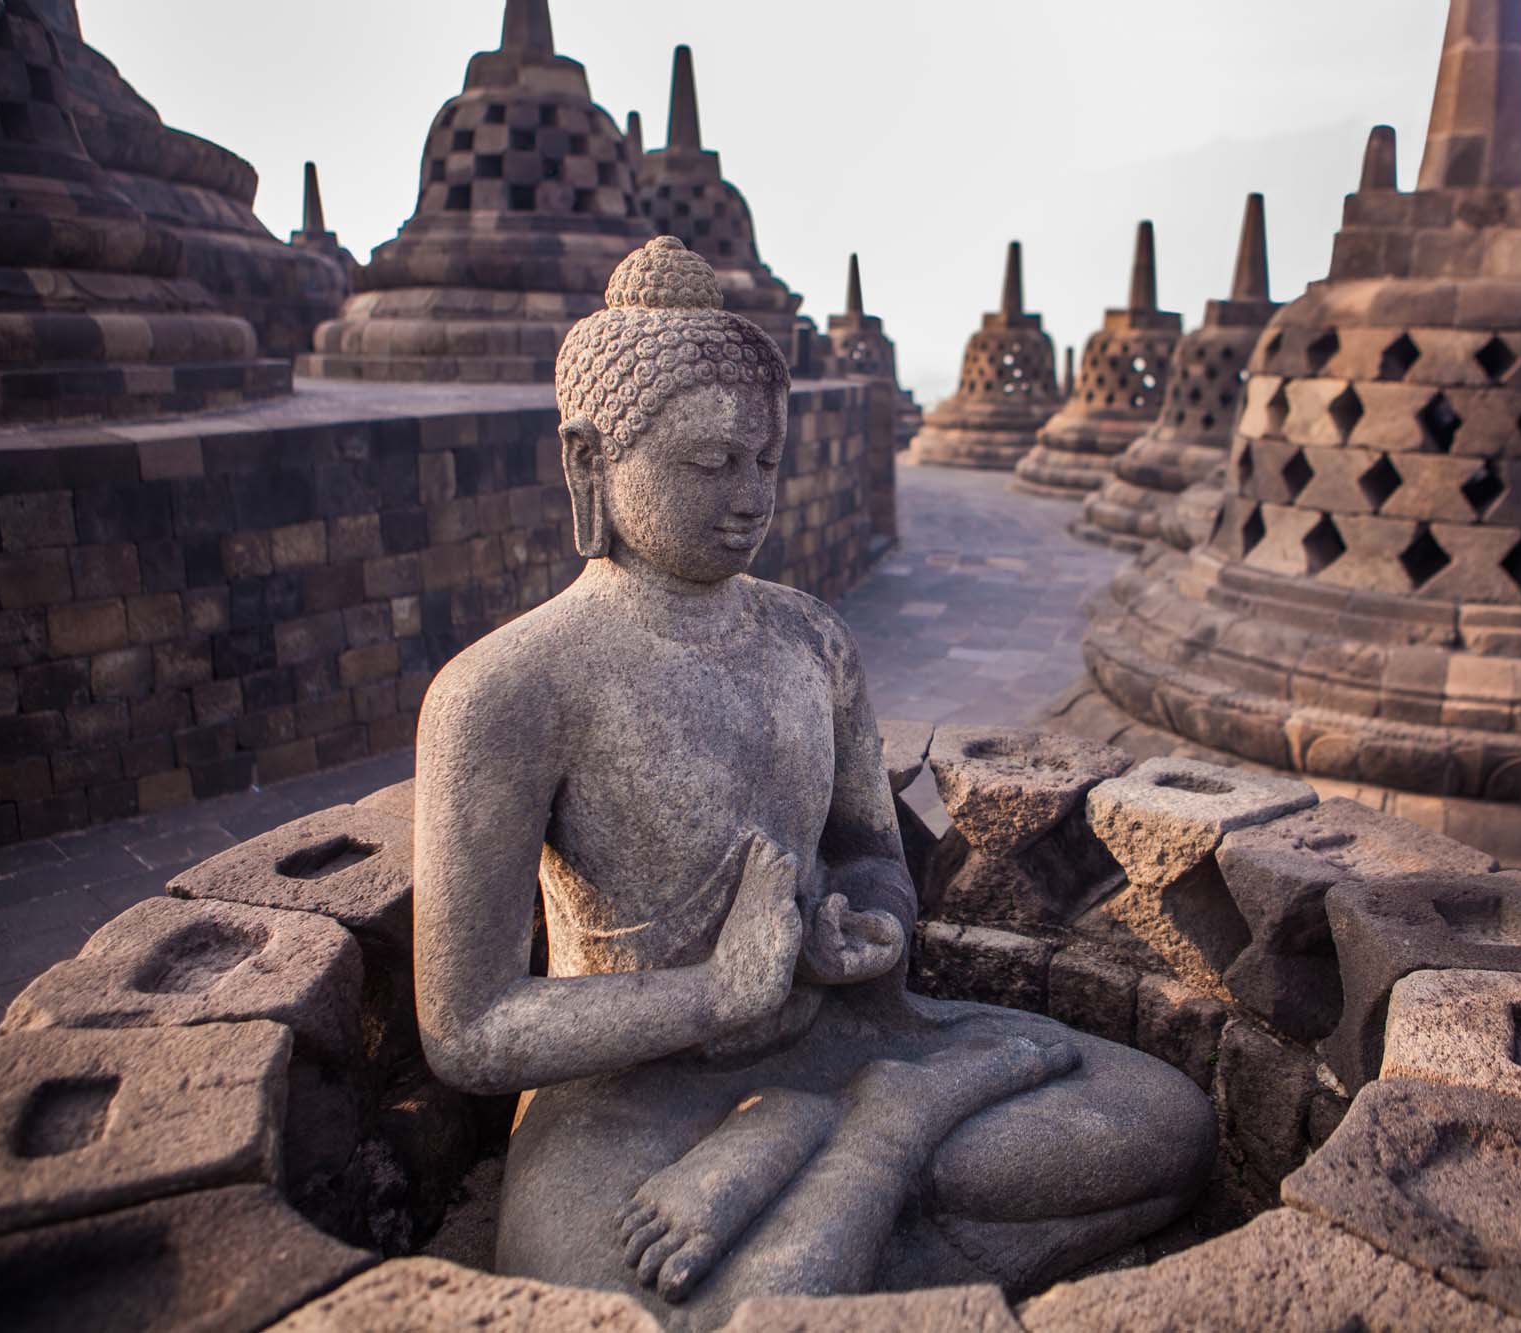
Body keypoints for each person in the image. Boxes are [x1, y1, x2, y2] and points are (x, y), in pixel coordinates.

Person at [413, 237, 1213, 1328]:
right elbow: (466, 1027)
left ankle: (876, 1132)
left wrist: (869, 921)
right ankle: (876, 1167)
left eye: (765, 462)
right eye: (708, 465)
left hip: (843, 1041)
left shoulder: (810, 641)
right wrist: (709, 996)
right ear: (589, 460)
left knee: (1163, 1121)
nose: (750, 498)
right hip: (625, 1105)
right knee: (634, 1307)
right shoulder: (506, 689)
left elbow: (868, 851)